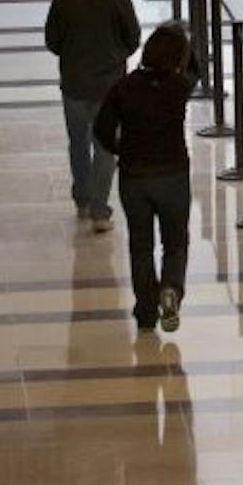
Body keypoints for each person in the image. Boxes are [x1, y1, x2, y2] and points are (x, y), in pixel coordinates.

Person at [92, 22, 195, 333]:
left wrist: (121, 149)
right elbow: (196, 69)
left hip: (135, 177)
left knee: (141, 245)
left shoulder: (123, 87)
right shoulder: (179, 87)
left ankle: (146, 311)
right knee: (175, 243)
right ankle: (171, 289)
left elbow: (101, 130)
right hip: (173, 173)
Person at [45, 0, 140, 233]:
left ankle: (83, 200)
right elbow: (133, 39)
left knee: (77, 142)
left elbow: (53, 41)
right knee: (105, 147)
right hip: (109, 86)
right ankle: (100, 210)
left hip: (73, 83)